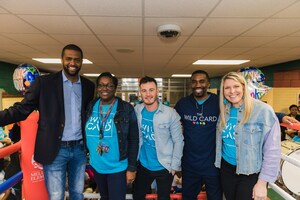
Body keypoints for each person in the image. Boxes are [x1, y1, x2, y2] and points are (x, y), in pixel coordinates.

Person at [0, 44, 95, 200]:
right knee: (56, 196)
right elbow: (21, 109)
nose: (72, 63)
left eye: (77, 60)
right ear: (62, 60)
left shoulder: (88, 86)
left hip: (79, 149)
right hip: (55, 149)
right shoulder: (44, 83)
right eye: (68, 59)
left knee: (77, 194)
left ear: (81, 61)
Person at [215, 72, 281, 200]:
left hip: (250, 173)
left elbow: (272, 151)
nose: (232, 91)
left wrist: (262, 183)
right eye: (227, 88)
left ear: (244, 87)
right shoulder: (224, 111)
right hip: (226, 169)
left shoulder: (262, 110)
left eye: (236, 86)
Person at [85, 72, 139, 200]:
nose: (104, 89)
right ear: (97, 88)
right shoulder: (91, 106)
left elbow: (133, 140)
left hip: (117, 167)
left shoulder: (126, 109)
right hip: (97, 165)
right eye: (101, 85)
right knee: (104, 197)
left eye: (109, 85)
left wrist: (132, 168)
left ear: (115, 88)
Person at [133, 76, 184, 200]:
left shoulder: (170, 113)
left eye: (151, 90)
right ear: (140, 93)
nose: (148, 94)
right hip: (143, 164)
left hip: (164, 166)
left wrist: (174, 166)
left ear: (157, 91)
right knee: (137, 196)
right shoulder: (136, 111)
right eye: (144, 90)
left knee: (163, 198)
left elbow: (178, 141)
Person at [174, 70, 222, 200]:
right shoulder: (183, 104)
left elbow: (243, 109)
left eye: (201, 81)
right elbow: (169, 121)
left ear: (208, 83)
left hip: (213, 165)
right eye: (194, 81)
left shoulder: (219, 102)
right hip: (190, 164)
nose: (198, 85)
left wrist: (279, 116)